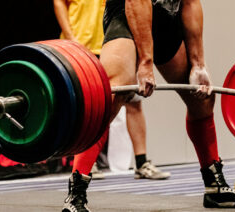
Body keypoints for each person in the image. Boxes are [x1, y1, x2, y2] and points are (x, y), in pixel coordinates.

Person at [59, 0, 235, 211]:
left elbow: (190, 3)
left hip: (166, 19)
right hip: (128, 16)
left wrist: (198, 64)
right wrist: (145, 63)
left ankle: (215, 187)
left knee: (202, 99)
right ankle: (75, 196)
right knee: (110, 98)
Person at [53, 0, 170, 181]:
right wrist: (70, 37)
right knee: (94, 108)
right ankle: (86, 165)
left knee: (133, 103)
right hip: (81, 47)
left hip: (114, 42)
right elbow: (59, 2)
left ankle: (142, 162)